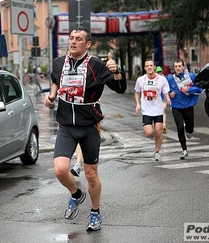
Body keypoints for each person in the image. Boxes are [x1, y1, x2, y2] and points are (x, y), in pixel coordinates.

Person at [44, 27, 127, 231]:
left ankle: (95, 212)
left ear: (87, 44)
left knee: (91, 174)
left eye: (78, 39)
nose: (73, 42)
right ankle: (76, 194)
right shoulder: (58, 63)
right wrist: (52, 95)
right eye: (71, 38)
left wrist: (116, 72)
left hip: (89, 126)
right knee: (60, 169)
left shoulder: (96, 65)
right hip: (66, 126)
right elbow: (55, 80)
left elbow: (119, 88)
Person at [134, 60, 171, 161]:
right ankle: (154, 136)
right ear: (145, 68)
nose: (149, 67)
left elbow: (166, 92)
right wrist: (138, 104)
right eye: (147, 66)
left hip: (158, 110)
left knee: (159, 132)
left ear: (154, 67)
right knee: (148, 133)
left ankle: (157, 152)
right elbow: (137, 92)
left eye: (151, 65)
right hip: (146, 110)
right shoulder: (140, 80)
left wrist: (167, 98)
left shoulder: (162, 79)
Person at [167, 59, 203, 159]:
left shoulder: (191, 76)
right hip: (176, 106)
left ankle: (190, 132)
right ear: (173, 68)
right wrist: (170, 94)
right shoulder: (170, 79)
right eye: (176, 66)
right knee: (179, 128)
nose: (178, 68)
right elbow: (164, 92)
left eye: (179, 66)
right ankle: (184, 150)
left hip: (189, 106)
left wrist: (189, 89)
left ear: (183, 67)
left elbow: (200, 88)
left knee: (190, 127)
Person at [155, 66, 167, 133]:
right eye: (158, 72)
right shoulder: (154, 79)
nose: (159, 73)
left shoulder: (165, 78)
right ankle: (157, 125)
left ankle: (164, 125)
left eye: (160, 71)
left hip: (163, 98)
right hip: (156, 99)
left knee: (163, 110)